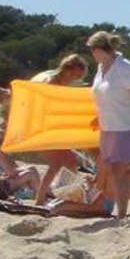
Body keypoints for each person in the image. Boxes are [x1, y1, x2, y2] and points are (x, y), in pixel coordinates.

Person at [87, 31, 130, 219]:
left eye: (92, 50)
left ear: (100, 49)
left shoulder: (126, 68)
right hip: (107, 126)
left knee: (119, 171)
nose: (92, 54)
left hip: (125, 125)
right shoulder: (101, 68)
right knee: (113, 171)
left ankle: (122, 214)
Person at [29, 54, 90, 205]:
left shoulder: (59, 82)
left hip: (51, 129)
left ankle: (46, 198)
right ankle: (60, 196)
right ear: (68, 70)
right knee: (67, 162)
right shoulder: (51, 81)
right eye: (76, 75)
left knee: (62, 163)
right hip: (43, 128)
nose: (76, 79)